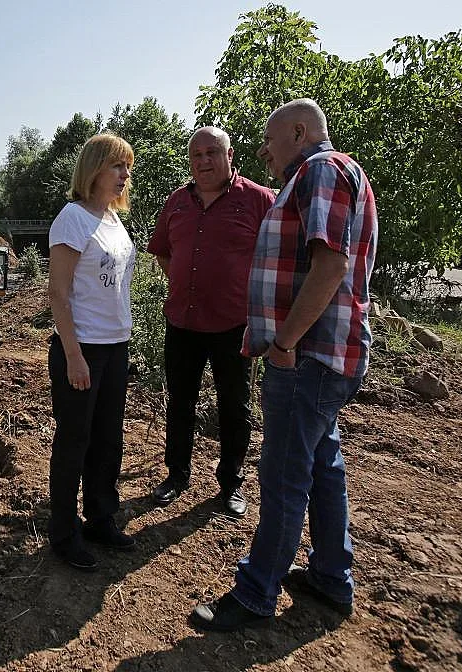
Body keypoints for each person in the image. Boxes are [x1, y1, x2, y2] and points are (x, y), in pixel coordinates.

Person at [192, 98, 378, 630]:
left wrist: (285, 343)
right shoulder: (323, 175)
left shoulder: (321, 170)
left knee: (282, 476)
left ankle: (256, 592)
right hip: (319, 356)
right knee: (322, 465)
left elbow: (330, 264)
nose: (263, 152)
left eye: (269, 140)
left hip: (307, 357)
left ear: (299, 132)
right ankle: (330, 575)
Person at [146, 127, 275, 516]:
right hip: (182, 322)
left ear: (229, 155)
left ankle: (231, 484)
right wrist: (186, 284)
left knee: (234, 406)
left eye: (211, 153)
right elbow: (163, 251)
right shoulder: (177, 202)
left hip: (233, 325)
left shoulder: (259, 200)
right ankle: (176, 475)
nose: (203, 161)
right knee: (180, 402)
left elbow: (279, 258)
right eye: (196, 155)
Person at [47, 133, 137, 571]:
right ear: (94, 169)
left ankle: (101, 517)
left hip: (116, 346)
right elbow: (58, 293)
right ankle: (64, 534)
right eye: (116, 166)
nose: (124, 175)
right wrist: (74, 355)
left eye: (127, 167)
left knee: (108, 439)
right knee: (75, 441)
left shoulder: (113, 219)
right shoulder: (73, 219)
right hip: (83, 348)